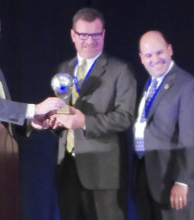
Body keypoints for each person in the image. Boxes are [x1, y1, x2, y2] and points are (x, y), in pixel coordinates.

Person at [49, 8, 137, 220]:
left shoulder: (120, 70)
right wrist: (53, 121)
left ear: (103, 35)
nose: (90, 41)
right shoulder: (64, 69)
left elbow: (126, 116)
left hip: (104, 173)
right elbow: (63, 112)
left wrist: (85, 122)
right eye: (83, 35)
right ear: (73, 35)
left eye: (96, 35)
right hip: (68, 170)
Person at [134, 30, 194, 220]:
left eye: (159, 52)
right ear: (141, 58)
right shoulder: (150, 84)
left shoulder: (189, 85)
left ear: (170, 50)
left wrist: (182, 181)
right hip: (148, 177)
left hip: (175, 183)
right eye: (148, 55)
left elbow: (191, 139)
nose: (155, 59)